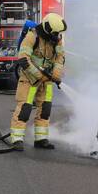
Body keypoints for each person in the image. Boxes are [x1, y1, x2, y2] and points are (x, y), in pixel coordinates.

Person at [9, 13, 66, 150]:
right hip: (30, 79)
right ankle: (17, 139)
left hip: (47, 80)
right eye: (55, 33)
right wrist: (38, 75)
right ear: (47, 28)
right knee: (25, 108)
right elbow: (23, 59)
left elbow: (60, 57)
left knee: (45, 109)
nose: (57, 36)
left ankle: (41, 139)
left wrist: (57, 72)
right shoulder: (32, 37)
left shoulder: (56, 38)